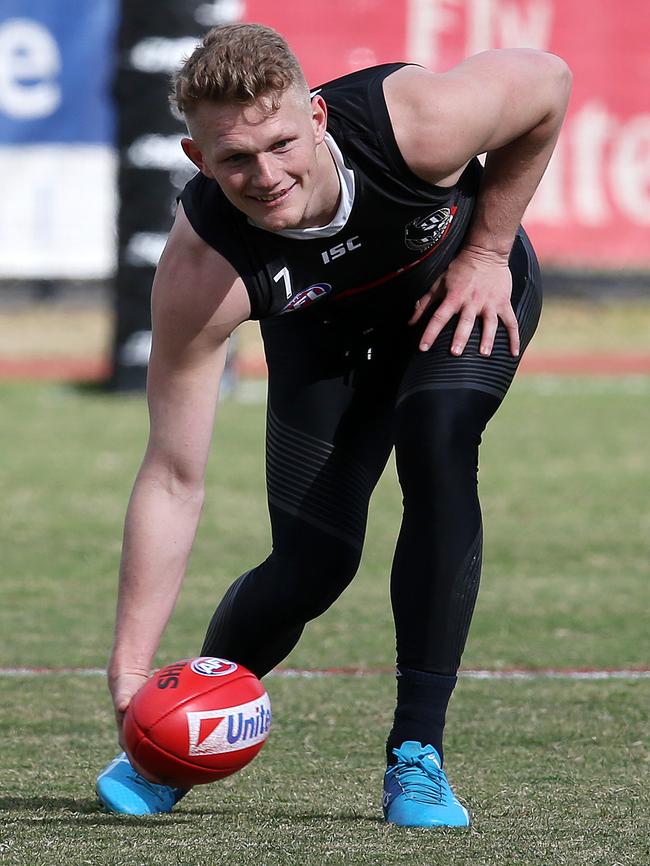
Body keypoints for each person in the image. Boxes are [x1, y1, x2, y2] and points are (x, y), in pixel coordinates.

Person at [95, 23, 571, 826]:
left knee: (438, 438)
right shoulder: (202, 269)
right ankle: (175, 735)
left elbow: (547, 83)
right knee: (313, 563)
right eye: (235, 159)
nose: (266, 175)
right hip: (325, 339)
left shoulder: (416, 122)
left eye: (281, 142)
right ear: (196, 160)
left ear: (317, 117)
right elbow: (173, 477)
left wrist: (487, 252)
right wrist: (131, 672)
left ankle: (416, 755)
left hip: (459, 291)